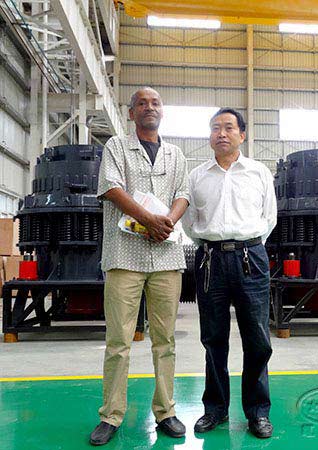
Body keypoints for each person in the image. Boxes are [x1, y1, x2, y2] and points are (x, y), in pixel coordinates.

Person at [90, 87, 190, 446]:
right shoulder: (116, 147)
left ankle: (166, 411)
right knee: (118, 340)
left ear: (162, 111)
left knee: (165, 340)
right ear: (131, 113)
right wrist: (149, 220)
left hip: (166, 256)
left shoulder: (176, 154)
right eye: (142, 103)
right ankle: (111, 415)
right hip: (124, 257)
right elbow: (111, 189)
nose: (149, 107)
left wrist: (167, 222)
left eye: (155, 103)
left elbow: (183, 194)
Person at [182, 108, 277, 439]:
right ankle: (215, 409)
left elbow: (269, 218)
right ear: (210, 136)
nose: (221, 133)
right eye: (215, 128)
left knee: (257, 339)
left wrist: (247, 244)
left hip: (252, 257)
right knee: (213, 338)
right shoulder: (197, 176)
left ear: (242, 135)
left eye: (228, 127)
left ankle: (258, 412)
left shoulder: (258, 172)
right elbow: (189, 222)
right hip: (210, 260)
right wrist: (211, 244)